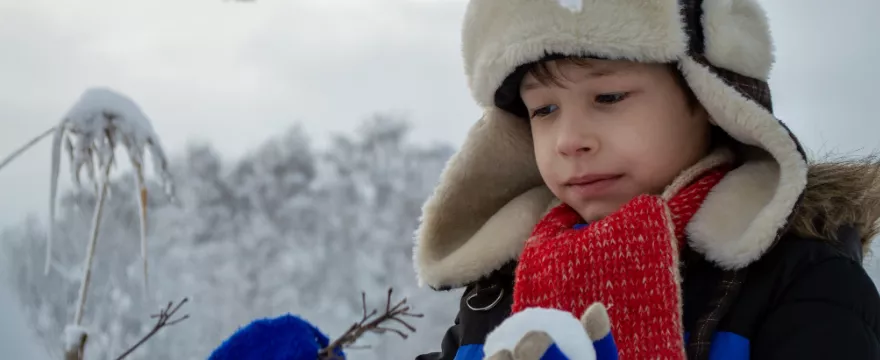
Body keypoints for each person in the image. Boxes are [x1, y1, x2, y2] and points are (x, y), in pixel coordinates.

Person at [413, 0, 880, 359]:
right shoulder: (500, 288)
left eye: (609, 96)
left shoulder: (802, 281)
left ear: (710, 100)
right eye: (545, 109)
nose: (569, 140)